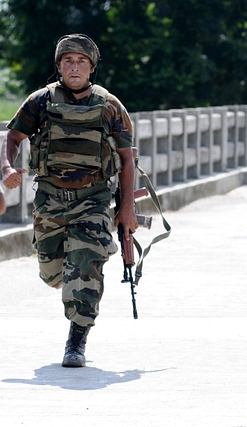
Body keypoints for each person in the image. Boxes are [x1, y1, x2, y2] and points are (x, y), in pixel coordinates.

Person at [0, 34, 137, 367]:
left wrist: (127, 208)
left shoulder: (109, 105)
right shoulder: (39, 102)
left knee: (85, 268)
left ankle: (77, 339)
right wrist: (6, 167)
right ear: (59, 66)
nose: (75, 67)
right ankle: (68, 278)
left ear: (91, 68)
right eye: (68, 61)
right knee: (52, 273)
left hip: (93, 199)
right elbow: (14, 136)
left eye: (81, 61)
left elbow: (128, 158)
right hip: (50, 200)